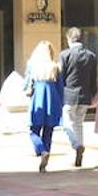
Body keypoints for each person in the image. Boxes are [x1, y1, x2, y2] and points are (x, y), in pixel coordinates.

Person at [58, 27, 98, 167]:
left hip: (69, 95)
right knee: (79, 124)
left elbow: (61, 77)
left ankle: (76, 145)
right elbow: (93, 78)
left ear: (69, 39)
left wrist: (59, 94)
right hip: (85, 95)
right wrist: (93, 94)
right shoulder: (91, 56)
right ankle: (79, 150)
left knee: (67, 123)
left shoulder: (65, 55)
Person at [25, 41, 63, 172]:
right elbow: (60, 88)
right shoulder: (55, 67)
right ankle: (45, 154)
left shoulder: (32, 66)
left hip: (38, 100)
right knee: (49, 131)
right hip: (53, 100)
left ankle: (41, 150)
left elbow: (26, 85)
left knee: (33, 130)